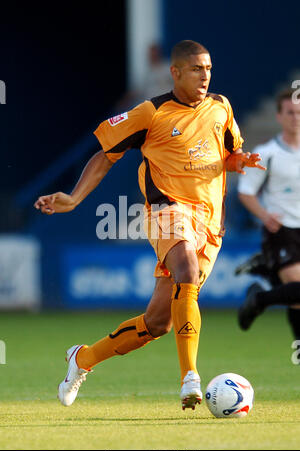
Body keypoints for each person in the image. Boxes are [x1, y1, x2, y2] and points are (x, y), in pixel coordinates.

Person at [34, 40, 263, 410]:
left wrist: (241, 161)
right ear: (175, 72)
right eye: (195, 69)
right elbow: (106, 155)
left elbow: (228, 153)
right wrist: (74, 198)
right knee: (186, 270)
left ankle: (82, 359)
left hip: (209, 221)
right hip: (166, 210)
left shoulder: (221, 107)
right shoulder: (151, 113)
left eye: (208, 68)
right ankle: (190, 377)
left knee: (159, 322)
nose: (204, 75)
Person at [237, 88, 300, 338]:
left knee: (296, 298)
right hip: (281, 230)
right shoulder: (267, 154)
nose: (296, 117)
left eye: (299, 113)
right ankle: (261, 292)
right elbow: (246, 191)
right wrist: (264, 215)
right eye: (290, 113)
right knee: (297, 290)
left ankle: (259, 298)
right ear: (279, 116)